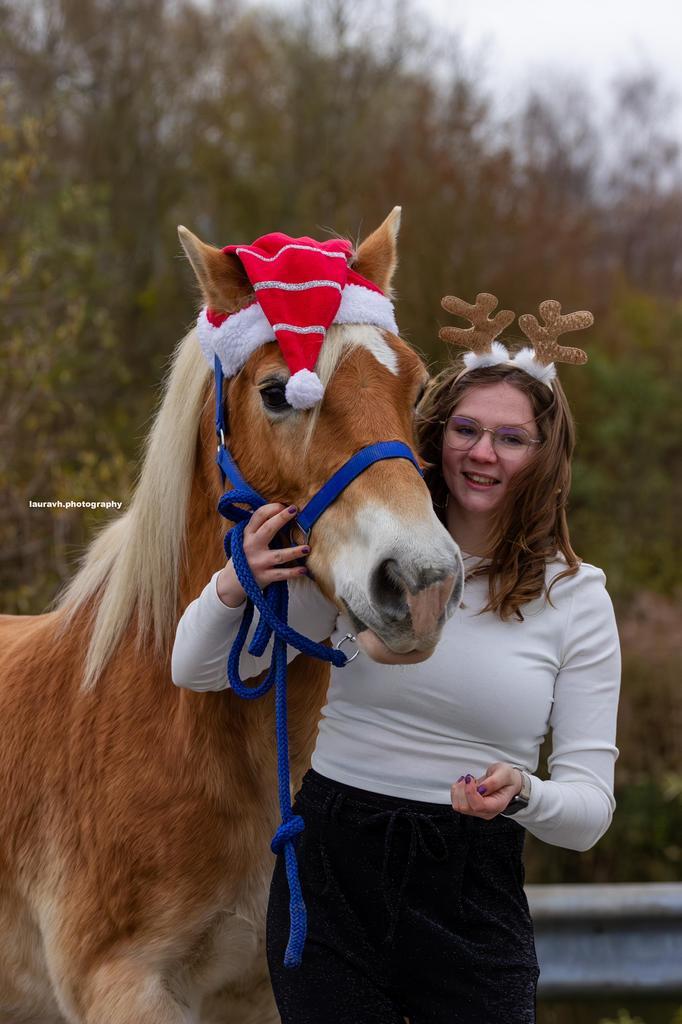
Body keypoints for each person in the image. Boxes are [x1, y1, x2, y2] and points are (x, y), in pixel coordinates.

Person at [171, 296, 621, 1024]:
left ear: (546, 455)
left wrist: (523, 795)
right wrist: (236, 581)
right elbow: (198, 669)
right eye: (467, 430)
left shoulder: (578, 600)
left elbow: (589, 811)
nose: (482, 452)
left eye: (511, 438)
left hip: (471, 890)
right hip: (332, 874)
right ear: (435, 436)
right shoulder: (371, 562)